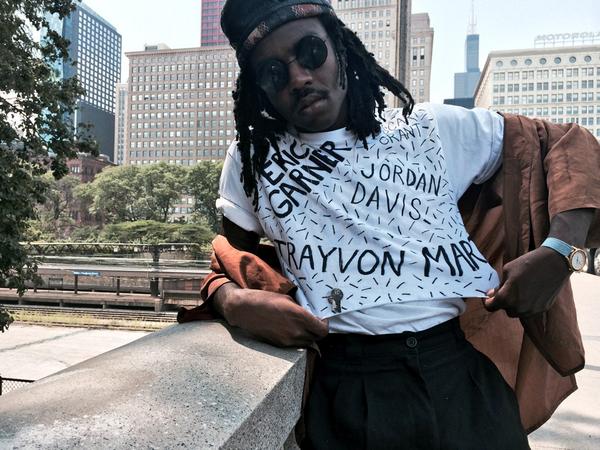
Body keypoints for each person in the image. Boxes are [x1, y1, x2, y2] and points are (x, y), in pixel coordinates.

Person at [193, 0, 599, 448]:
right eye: (273, 73)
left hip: (459, 377)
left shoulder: (428, 127)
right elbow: (231, 263)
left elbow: (565, 144)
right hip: (346, 391)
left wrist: (561, 251)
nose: (298, 77)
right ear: (259, 89)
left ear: (340, 48)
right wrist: (232, 302)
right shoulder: (252, 161)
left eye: (310, 53)